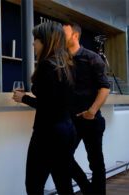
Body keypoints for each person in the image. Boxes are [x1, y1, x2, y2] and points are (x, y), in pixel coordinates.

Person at [13, 21, 76, 194]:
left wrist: (24, 98)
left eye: (36, 39)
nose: (33, 43)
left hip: (47, 134)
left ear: (46, 41)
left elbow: (49, 106)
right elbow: (61, 102)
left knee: (33, 185)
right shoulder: (67, 65)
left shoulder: (46, 66)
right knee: (64, 184)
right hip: (67, 130)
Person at [63, 22, 110, 194]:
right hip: (69, 120)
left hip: (91, 119)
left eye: (64, 34)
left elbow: (105, 87)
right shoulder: (61, 60)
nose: (60, 37)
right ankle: (87, 189)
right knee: (63, 158)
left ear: (75, 36)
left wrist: (92, 110)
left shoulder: (92, 57)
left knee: (96, 162)